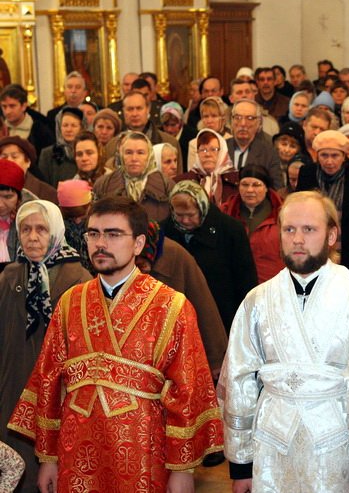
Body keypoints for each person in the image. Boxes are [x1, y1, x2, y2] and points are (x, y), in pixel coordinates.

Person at [7, 196, 223, 492]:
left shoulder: (171, 306)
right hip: (76, 450)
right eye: (93, 234)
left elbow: (188, 392)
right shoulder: (70, 302)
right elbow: (49, 381)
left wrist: (182, 469)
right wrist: (48, 458)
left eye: (113, 234)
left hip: (143, 450)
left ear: (138, 244)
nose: (100, 243)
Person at [218, 191, 349, 492]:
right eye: (289, 229)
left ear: (331, 235)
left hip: (338, 450)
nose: (297, 239)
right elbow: (239, 382)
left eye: (309, 229)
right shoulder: (257, 301)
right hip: (271, 450)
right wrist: (241, 465)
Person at [0, 200, 91, 492]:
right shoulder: (11, 275)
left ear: (55, 231)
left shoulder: (78, 279)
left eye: (41, 229)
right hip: (14, 381)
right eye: (25, 229)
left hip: (60, 386)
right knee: (16, 463)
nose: (32, 237)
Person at [134, 221, 228, 375]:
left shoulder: (175, 255)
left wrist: (215, 360)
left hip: (174, 362)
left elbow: (204, 307)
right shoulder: (107, 258)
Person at [163, 180, 257, 332]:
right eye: (179, 215)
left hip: (222, 315)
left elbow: (245, 279)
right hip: (178, 316)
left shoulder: (230, 230)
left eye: (191, 215)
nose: (185, 221)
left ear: (202, 208)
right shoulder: (165, 232)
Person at [296, 130, 349, 286]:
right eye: (324, 155)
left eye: (335, 155)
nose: (329, 161)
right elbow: (297, 212)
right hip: (313, 251)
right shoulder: (307, 173)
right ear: (317, 156)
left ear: (344, 156)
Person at [221, 164, 284, 283]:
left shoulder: (283, 213)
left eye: (256, 185)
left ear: (266, 188)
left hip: (273, 283)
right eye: (245, 185)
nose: (250, 190)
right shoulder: (225, 212)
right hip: (236, 283)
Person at [93, 131, 175, 221]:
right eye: (129, 152)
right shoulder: (104, 184)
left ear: (149, 155)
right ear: (121, 155)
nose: (134, 158)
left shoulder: (166, 185)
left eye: (140, 153)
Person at [176, 128, 239, 204]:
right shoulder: (181, 183)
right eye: (203, 150)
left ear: (223, 152)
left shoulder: (237, 181)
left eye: (213, 149)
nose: (207, 154)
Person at [38, 107, 84, 186]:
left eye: (73, 126)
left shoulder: (86, 152)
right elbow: (43, 185)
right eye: (65, 125)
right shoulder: (47, 154)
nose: (69, 129)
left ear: (81, 128)